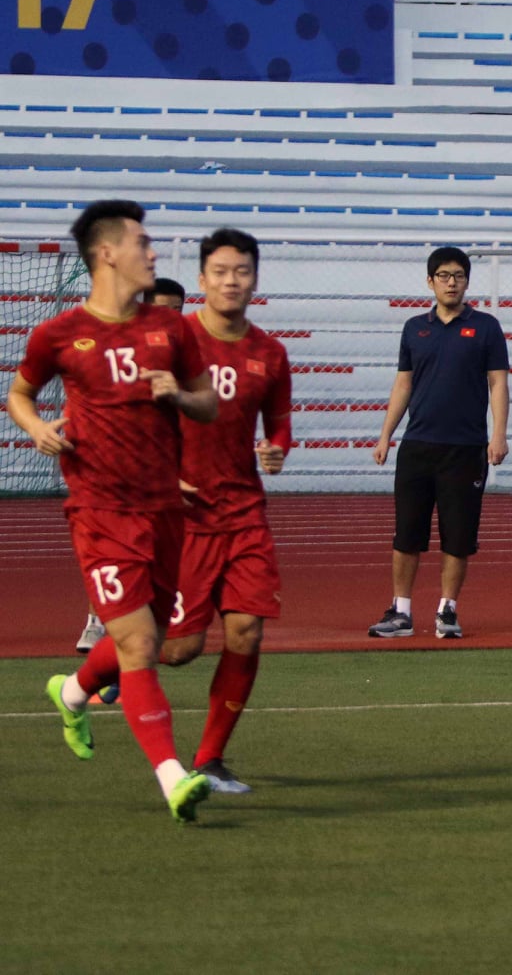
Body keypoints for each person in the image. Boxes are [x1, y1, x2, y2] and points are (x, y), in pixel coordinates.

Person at [12, 200, 220, 822]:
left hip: (163, 510)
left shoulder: (171, 329)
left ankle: (71, 691)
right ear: (107, 253)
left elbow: (208, 404)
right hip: (100, 511)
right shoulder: (57, 334)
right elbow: (19, 395)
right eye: (143, 242)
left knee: (148, 642)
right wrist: (36, 430)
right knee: (137, 643)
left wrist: (180, 395)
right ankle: (173, 777)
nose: (152, 252)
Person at [155, 229, 292, 794]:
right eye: (220, 270)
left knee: (246, 632)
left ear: (254, 278)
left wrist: (277, 449)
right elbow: (135, 420)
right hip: (183, 519)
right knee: (178, 650)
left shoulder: (270, 352)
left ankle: (209, 758)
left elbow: (279, 424)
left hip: (243, 514)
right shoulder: (172, 339)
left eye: (241, 270)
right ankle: (98, 669)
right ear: (203, 278)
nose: (231, 280)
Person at [368, 248, 509, 639]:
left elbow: (498, 382)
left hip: (465, 449)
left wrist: (498, 434)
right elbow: (403, 384)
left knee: (458, 536)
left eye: (459, 275)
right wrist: (385, 436)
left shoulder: (486, 327)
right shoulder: (415, 328)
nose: (451, 282)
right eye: (444, 275)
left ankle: (447, 611)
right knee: (406, 534)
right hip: (417, 446)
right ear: (429, 281)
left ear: (467, 281)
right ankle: (401, 611)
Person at [74, 277, 187, 657]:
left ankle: (131, 639)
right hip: (115, 475)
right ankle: (96, 621)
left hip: (163, 475)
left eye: (178, 309)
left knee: (153, 563)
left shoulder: (188, 353)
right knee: (114, 555)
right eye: (164, 309)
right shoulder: (122, 347)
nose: (171, 317)